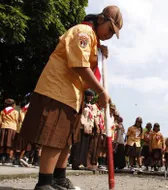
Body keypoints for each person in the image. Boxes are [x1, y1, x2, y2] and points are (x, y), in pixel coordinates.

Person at [19, 5, 123, 189]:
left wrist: (100, 52)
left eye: (114, 34)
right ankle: (44, 183)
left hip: (71, 95)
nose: (110, 35)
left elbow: (90, 66)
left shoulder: (93, 40)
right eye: (110, 30)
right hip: (57, 90)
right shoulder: (83, 32)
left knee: (65, 140)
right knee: (54, 138)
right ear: (101, 20)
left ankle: (59, 178)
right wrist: (100, 91)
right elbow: (79, 66)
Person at [0, 99, 19, 164]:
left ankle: (1, 158)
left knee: (2, 144)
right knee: (10, 144)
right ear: (13, 104)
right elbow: (17, 120)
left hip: (3, 127)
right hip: (12, 128)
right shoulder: (15, 112)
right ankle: (8, 159)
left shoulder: (2, 111)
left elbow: (0, 121)